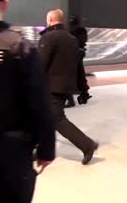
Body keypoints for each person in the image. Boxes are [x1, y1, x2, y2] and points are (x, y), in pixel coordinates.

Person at [0, 0, 55, 203]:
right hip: (12, 154)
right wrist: (46, 150)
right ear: (5, 4)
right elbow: (40, 103)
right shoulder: (21, 48)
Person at [38, 9, 98, 165]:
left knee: (56, 119)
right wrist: (83, 88)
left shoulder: (48, 37)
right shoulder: (72, 39)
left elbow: (40, 65)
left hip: (50, 87)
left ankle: (87, 145)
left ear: (50, 19)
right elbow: (79, 66)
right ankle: (40, 150)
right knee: (44, 118)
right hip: (65, 86)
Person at [65, 16, 92, 108]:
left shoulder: (74, 31)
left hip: (76, 53)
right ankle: (84, 93)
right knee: (79, 73)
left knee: (73, 74)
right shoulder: (80, 30)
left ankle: (74, 97)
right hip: (79, 52)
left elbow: (77, 41)